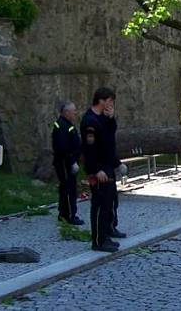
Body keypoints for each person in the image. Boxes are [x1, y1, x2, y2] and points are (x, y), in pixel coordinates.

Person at [81, 87, 126, 252]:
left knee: (108, 203)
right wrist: (95, 170)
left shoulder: (102, 118)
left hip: (107, 167)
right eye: (110, 101)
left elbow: (108, 141)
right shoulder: (90, 121)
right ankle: (98, 241)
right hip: (99, 169)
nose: (112, 104)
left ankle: (106, 234)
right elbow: (90, 149)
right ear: (102, 100)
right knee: (99, 205)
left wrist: (111, 118)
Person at [51, 101, 83, 225]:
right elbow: (63, 147)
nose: (75, 113)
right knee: (69, 188)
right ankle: (69, 215)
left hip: (67, 162)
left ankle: (64, 213)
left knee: (67, 188)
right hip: (65, 163)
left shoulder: (67, 125)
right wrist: (72, 161)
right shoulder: (62, 126)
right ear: (66, 112)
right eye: (73, 110)